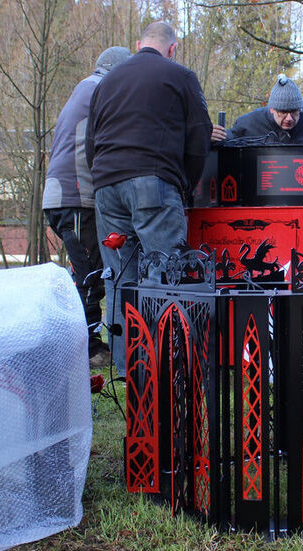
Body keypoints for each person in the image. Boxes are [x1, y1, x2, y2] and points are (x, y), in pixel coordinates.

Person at [86, 22, 213, 375]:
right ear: (173, 48)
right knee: (164, 272)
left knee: (118, 275)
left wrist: (103, 180)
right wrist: (184, 183)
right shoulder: (180, 76)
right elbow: (200, 135)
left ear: (139, 44)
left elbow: (90, 141)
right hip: (153, 184)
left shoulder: (107, 81)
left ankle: (129, 369)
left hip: (107, 185)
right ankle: (167, 364)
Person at [43, 46, 130, 364]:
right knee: (91, 272)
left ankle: (75, 339)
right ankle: (88, 349)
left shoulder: (86, 88)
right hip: (76, 196)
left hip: (64, 195)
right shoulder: (102, 90)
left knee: (84, 270)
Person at [222, 74, 303, 145]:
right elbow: (225, 141)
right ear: (272, 109)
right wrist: (209, 137)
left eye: (294, 112)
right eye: (283, 112)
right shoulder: (249, 124)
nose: (289, 118)